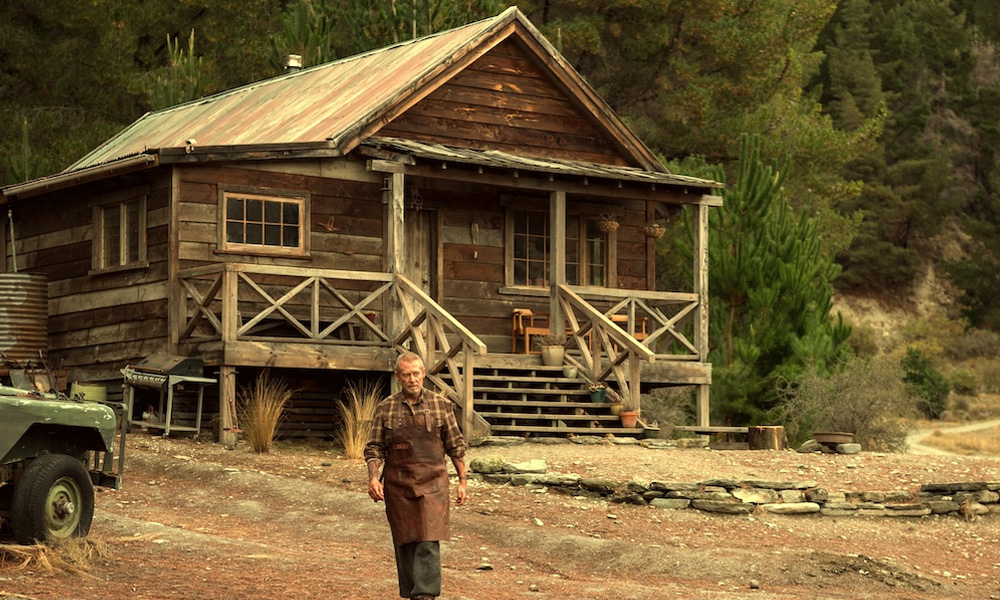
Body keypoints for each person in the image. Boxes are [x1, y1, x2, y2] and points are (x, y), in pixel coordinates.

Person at [365, 351, 468, 600]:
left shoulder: (441, 406)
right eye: (406, 375)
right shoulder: (386, 408)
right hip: (398, 484)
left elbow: (456, 447)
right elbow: (374, 447)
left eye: (416, 374)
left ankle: (425, 594)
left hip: (433, 483)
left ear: (423, 373)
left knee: (428, 539)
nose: (412, 379)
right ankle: (413, 593)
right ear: (398, 376)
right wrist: (373, 478)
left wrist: (463, 482)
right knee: (405, 539)